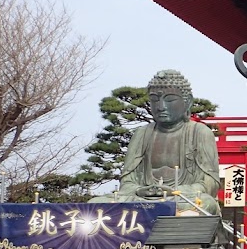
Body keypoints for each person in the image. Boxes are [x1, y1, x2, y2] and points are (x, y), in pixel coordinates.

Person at [93, 69, 220, 214]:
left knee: (206, 203)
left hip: (181, 198)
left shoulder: (199, 132)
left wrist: (174, 191)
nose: (161, 107)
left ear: (188, 102)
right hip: (142, 199)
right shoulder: (142, 133)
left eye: (170, 100)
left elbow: (209, 184)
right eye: (154, 100)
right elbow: (127, 182)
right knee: (96, 203)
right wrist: (141, 190)